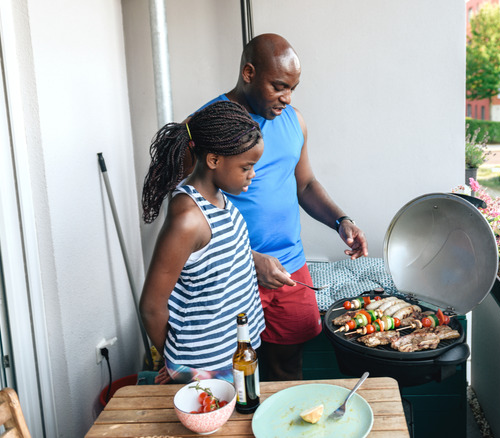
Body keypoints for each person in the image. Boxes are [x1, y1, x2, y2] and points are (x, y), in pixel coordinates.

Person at [194, 33, 369, 381]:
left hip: (290, 270)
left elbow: (304, 184)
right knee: (234, 375)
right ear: (248, 73)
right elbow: (192, 211)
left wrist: (341, 220)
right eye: (278, 87)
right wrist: (248, 259)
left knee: (288, 368)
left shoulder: (294, 121)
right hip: (231, 274)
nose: (286, 98)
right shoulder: (206, 127)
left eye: (293, 88)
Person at [139, 101, 266, 384]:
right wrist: (178, 365)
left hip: (237, 351)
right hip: (206, 366)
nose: (252, 174)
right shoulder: (188, 219)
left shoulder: (220, 197)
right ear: (213, 160)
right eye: (246, 167)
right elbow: (151, 305)